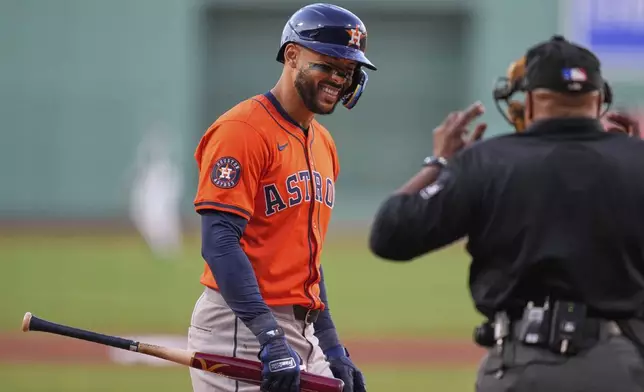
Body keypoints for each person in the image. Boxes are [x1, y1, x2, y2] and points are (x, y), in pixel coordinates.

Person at [368, 35, 644, 391]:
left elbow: (390, 235)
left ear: (530, 100)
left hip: (522, 368)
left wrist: (438, 164)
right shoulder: (638, 161)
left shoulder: (486, 162)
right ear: (599, 100)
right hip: (624, 369)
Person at [188, 3, 376, 392]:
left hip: (301, 330)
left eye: (347, 70)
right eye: (328, 63)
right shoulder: (241, 130)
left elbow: (306, 263)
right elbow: (219, 242)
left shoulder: (323, 142)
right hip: (240, 330)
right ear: (292, 55)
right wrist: (269, 336)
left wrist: (333, 347)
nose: (339, 78)